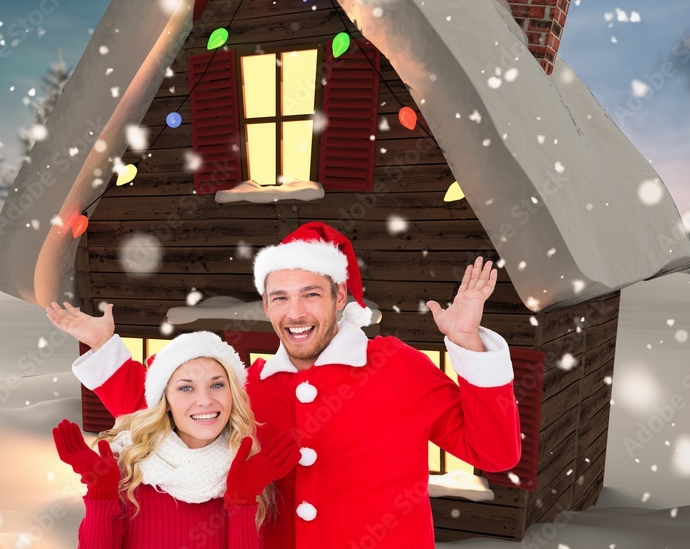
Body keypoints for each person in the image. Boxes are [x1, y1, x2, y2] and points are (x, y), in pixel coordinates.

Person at [52, 221, 521, 548]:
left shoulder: (394, 366)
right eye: (280, 298)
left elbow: (495, 453)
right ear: (267, 304)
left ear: (340, 296)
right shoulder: (251, 383)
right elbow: (170, 403)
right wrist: (104, 347)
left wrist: (468, 346)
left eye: (311, 295)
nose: (294, 313)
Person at [50, 330, 300, 547]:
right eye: (186, 388)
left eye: (216, 385)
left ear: (232, 394)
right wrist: (101, 493)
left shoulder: (250, 474)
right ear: (165, 401)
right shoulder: (129, 471)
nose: (205, 400)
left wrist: (242, 501)